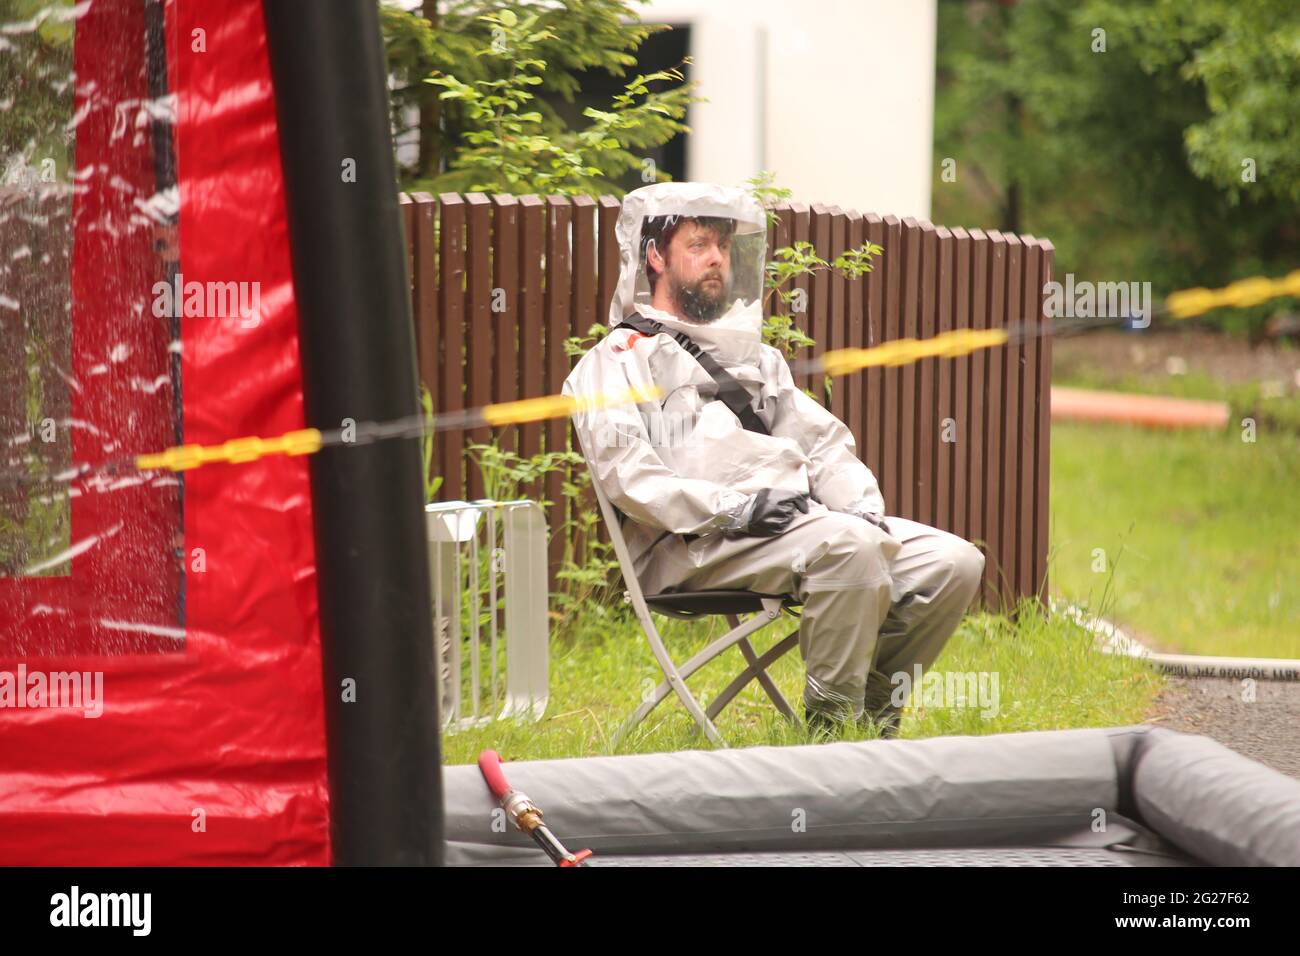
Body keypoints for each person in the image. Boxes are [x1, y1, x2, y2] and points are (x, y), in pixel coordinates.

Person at [562, 182, 984, 737]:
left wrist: (861, 508)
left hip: (796, 528)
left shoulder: (754, 358)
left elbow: (824, 443)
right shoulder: (614, 362)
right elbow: (631, 480)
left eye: (722, 245)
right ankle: (829, 734)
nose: (716, 258)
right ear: (655, 256)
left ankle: (872, 718)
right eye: (698, 245)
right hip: (693, 547)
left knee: (952, 562)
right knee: (849, 550)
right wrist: (736, 509)